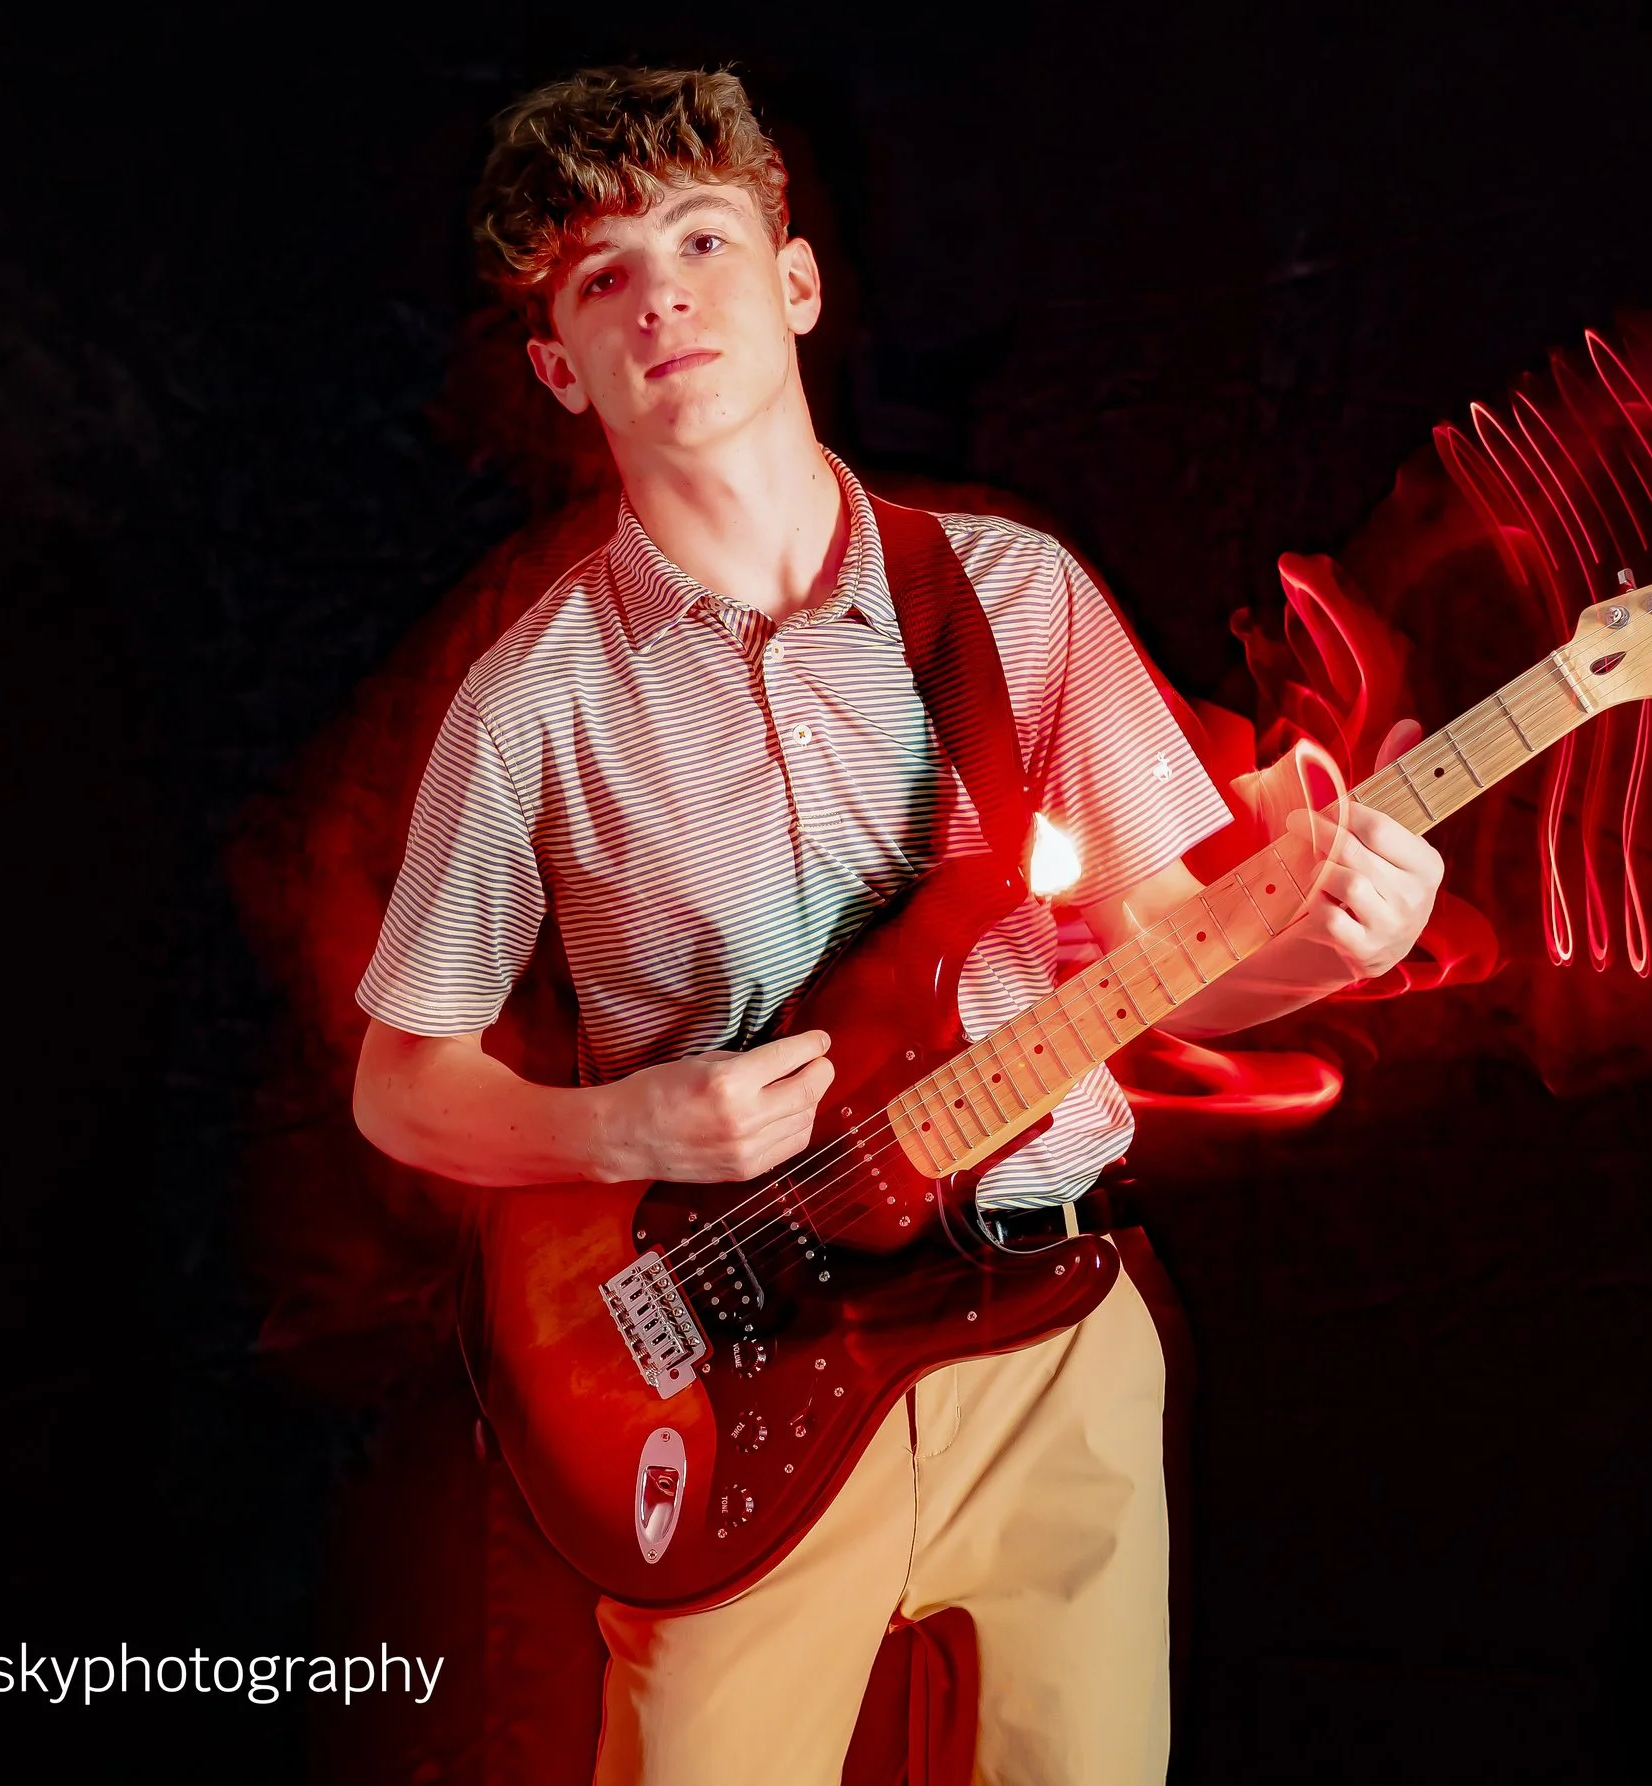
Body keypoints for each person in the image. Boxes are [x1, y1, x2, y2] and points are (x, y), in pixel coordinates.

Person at [348, 64, 1443, 1786]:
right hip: (738, 1368)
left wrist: (1335, 940)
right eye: (600, 273)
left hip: (1053, 1341)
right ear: (562, 363)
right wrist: (622, 1121)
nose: (666, 294)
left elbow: (1183, 972)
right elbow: (401, 1083)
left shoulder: (1019, 598)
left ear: (794, 283)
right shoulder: (530, 704)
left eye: (704, 237)